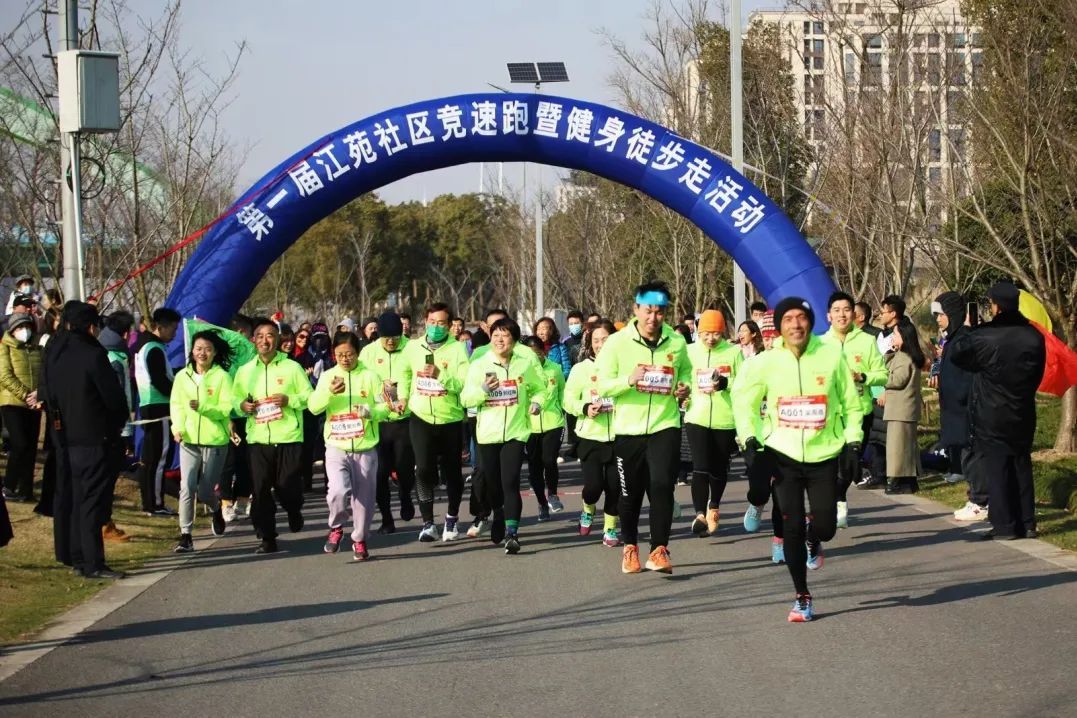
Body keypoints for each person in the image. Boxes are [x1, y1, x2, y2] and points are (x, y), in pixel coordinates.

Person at [732, 297, 863, 622]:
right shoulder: (766, 362)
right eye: (788, 319)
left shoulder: (831, 356)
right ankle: (802, 596)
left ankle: (814, 539)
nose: (795, 324)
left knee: (827, 526)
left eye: (801, 317)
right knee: (790, 525)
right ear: (779, 326)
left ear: (810, 321)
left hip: (824, 453)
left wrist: (853, 443)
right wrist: (749, 438)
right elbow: (744, 402)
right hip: (783, 455)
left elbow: (852, 404)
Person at [595, 280, 691, 575]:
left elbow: (685, 372)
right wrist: (628, 380)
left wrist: (684, 387)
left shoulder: (676, 342)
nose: (653, 317)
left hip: (665, 424)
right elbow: (603, 385)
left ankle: (659, 549)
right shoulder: (616, 343)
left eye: (660, 311)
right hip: (629, 430)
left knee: (662, 486)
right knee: (630, 494)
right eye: (648, 311)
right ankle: (630, 547)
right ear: (635, 309)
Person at [948, 282, 1046, 540]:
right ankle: (1027, 522)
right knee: (1021, 464)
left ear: (996, 306)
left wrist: (968, 329)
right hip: (1023, 408)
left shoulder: (984, 336)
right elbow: (1038, 372)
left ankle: (1005, 525)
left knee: (998, 467)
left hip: (991, 411)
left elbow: (957, 354)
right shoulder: (1034, 336)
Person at [41, 302, 129, 579]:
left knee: (74, 498)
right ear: (91, 327)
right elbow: (113, 398)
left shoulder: (54, 352)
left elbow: (47, 394)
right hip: (94, 437)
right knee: (92, 502)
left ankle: (77, 557)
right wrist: (117, 424)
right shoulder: (93, 354)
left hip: (63, 438)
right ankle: (93, 562)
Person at [460, 317, 546, 554]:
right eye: (496, 335)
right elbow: (465, 399)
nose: (500, 340)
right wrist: (483, 390)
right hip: (488, 434)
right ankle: (498, 512)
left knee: (511, 481)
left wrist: (537, 403)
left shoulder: (524, 364)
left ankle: (512, 533)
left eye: (505, 335)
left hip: (516, 433)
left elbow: (540, 389)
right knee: (493, 484)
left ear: (514, 340)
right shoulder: (479, 364)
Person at [309, 332, 393, 561]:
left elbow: (386, 407)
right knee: (337, 491)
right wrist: (328, 393)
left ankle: (359, 539)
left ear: (358, 353)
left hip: (365, 447)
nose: (345, 359)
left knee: (364, 501)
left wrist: (370, 412)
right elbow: (314, 407)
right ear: (333, 354)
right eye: (340, 355)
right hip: (336, 446)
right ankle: (336, 527)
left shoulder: (370, 376)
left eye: (350, 354)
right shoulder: (328, 377)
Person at [234, 318, 312, 554]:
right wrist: (242, 406)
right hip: (257, 439)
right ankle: (267, 537)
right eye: (260, 336)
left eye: (269, 336)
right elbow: (234, 400)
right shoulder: (245, 371)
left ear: (277, 339)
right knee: (260, 491)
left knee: (287, 488)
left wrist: (290, 400)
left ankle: (293, 509)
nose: (264, 341)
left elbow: (309, 397)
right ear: (253, 340)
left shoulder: (292, 367)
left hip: (288, 437)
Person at [402, 303, 470, 542]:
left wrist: (441, 375)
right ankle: (428, 523)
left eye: (441, 323)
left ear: (449, 325)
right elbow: (405, 374)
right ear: (425, 321)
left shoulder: (458, 349)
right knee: (423, 470)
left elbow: (463, 383)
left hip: (449, 418)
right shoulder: (412, 347)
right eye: (432, 322)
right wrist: (403, 397)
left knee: (452, 472)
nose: (436, 326)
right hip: (420, 416)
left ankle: (451, 518)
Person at [821, 292, 887, 527]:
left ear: (854, 314)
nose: (842, 314)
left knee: (850, 465)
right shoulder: (819, 344)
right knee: (831, 464)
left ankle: (838, 496)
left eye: (846, 310)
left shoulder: (867, 341)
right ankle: (836, 502)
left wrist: (862, 377)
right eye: (837, 310)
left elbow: (882, 374)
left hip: (859, 412)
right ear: (829, 316)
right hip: (829, 415)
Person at [169, 330, 235, 552]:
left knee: (205, 491)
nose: (202, 353)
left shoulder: (222, 377)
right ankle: (185, 535)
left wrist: (203, 408)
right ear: (192, 351)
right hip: (188, 440)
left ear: (215, 352)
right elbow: (176, 405)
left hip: (215, 441)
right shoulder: (182, 376)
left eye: (207, 349)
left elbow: (226, 408)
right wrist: (177, 428)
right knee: (186, 487)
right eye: (198, 349)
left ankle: (216, 508)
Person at [684, 309, 742, 537]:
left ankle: (714, 505)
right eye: (706, 334)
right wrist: (682, 393)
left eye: (716, 334)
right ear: (698, 332)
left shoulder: (733, 352)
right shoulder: (689, 352)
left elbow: (744, 382)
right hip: (696, 416)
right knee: (700, 466)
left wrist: (726, 383)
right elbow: (683, 379)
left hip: (724, 419)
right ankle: (699, 515)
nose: (710, 338)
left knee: (718, 468)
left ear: (723, 332)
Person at [564, 319, 620, 545]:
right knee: (594, 487)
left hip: (620, 435)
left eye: (605, 339)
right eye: (596, 340)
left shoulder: (623, 368)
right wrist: (585, 408)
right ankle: (588, 508)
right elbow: (568, 400)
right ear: (590, 343)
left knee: (615, 487)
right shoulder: (580, 369)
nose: (600, 344)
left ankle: (610, 528)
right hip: (590, 436)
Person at [358, 312, 415, 533]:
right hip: (378, 420)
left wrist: (406, 398)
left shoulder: (412, 348)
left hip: (404, 420)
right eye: (386, 338)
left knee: (404, 469)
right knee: (379, 473)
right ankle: (387, 518)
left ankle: (405, 494)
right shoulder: (368, 353)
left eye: (395, 338)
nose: (391, 342)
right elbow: (360, 382)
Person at [133, 307, 181, 516]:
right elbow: (160, 381)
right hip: (158, 407)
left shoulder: (145, 345)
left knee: (150, 458)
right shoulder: (153, 348)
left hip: (149, 405)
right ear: (160, 327)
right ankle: (156, 503)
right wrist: (179, 393)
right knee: (159, 458)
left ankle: (150, 502)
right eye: (173, 329)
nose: (174, 334)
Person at [931, 293, 975, 497]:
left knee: (963, 439)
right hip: (951, 400)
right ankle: (956, 468)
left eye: (941, 315)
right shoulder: (951, 338)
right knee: (953, 437)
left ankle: (964, 473)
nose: (938, 320)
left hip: (961, 400)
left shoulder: (964, 337)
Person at [98, 311, 136, 542]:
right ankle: (104, 523)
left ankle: (105, 521)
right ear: (125, 333)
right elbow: (117, 397)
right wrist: (125, 429)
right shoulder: (114, 357)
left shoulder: (108, 352)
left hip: (112, 426)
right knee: (107, 479)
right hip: (115, 428)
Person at [521, 335, 566, 519]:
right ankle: (542, 502)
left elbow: (562, 392)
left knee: (549, 459)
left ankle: (553, 495)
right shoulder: (521, 372)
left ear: (543, 352)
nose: (535, 358)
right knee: (535, 466)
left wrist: (563, 411)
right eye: (530, 354)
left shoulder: (555, 369)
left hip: (553, 423)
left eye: (537, 353)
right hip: (529, 426)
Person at [0, 312, 43, 503]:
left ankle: (26, 489)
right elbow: (4, 375)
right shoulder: (5, 347)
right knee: (20, 444)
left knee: (31, 447)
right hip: (12, 402)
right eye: (19, 327)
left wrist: (39, 393)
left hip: (33, 404)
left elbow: (43, 372)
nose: (24, 330)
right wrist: (25, 394)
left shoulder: (36, 348)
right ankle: (9, 485)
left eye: (26, 326)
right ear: (12, 330)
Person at [881, 322, 924, 494]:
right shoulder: (904, 355)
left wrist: (880, 380)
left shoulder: (905, 357)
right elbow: (890, 367)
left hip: (901, 410)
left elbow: (898, 380)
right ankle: (909, 481)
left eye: (896, 334)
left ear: (904, 337)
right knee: (906, 447)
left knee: (897, 448)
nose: (893, 337)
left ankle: (895, 481)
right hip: (904, 409)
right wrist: (890, 353)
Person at [219, 314, 254, 521]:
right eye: (249, 335)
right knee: (230, 460)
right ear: (240, 332)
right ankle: (226, 502)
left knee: (245, 459)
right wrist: (228, 416)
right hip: (229, 416)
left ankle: (242, 499)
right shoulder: (222, 354)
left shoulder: (250, 353)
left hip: (247, 415)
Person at [296, 322, 332, 492]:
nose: (319, 342)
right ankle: (306, 481)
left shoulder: (332, 358)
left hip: (327, 405)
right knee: (307, 445)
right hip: (308, 406)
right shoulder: (302, 359)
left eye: (322, 338)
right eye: (316, 338)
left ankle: (328, 481)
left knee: (327, 445)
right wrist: (305, 376)